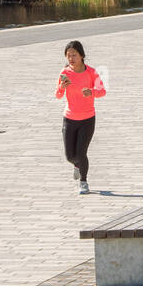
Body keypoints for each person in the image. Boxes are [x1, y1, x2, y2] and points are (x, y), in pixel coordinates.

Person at [55, 40, 106, 195]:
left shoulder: (92, 72)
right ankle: (77, 165)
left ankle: (83, 181)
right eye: (68, 55)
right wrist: (61, 87)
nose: (71, 58)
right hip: (69, 118)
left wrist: (91, 91)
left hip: (87, 119)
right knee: (70, 156)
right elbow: (58, 95)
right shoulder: (64, 73)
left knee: (81, 153)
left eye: (74, 55)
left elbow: (102, 90)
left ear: (82, 55)